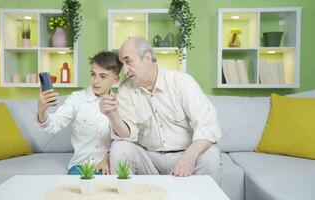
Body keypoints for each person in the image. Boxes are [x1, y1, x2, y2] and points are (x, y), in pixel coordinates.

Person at [100, 37, 222, 185]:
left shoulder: (182, 82)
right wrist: (113, 116)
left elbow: (208, 125)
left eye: (128, 61)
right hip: (149, 159)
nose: (124, 70)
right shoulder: (125, 89)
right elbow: (127, 135)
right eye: (122, 64)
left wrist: (190, 155)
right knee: (119, 148)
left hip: (184, 154)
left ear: (147, 58)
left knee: (211, 154)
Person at [37, 51, 122, 175]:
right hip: (79, 166)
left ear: (115, 79)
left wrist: (107, 159)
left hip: (106, 166)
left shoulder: (121, 104)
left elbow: (124, 140)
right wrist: (42, 110)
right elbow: (52, 125)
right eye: (93, 74)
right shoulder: (76, 99)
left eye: (103, 76)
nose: (95, 81)